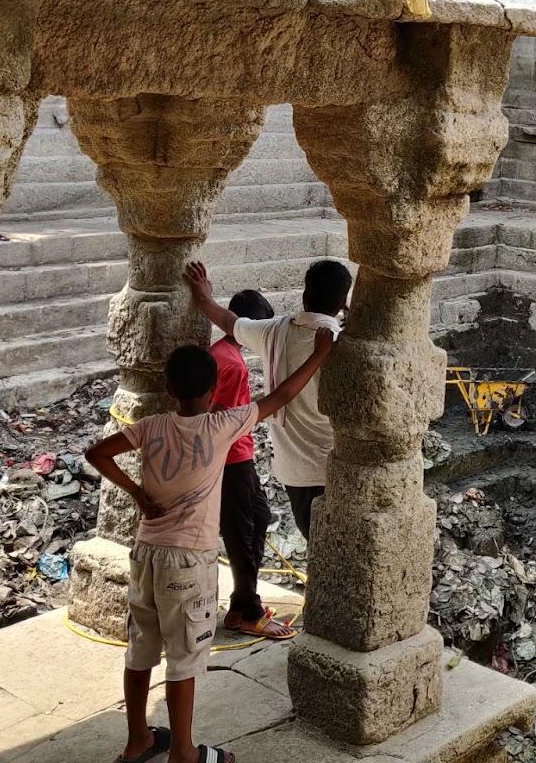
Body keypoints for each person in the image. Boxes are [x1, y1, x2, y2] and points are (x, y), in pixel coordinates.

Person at [86, 331, 332, 763]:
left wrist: (137, 493)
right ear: (214, 390)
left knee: (140, 648)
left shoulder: (150, 427)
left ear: (169, 389)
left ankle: (137, 740)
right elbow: (283, 394)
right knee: (184, 658)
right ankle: (184, 752)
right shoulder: (221, 426)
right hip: (188, 562)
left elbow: (97, 454)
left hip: (146, 553)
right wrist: (320, 353)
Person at [184, 258, 352, 542]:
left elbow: (229, 321)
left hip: (292, 469)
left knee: (316, 542)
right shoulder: (342, 344)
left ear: (304, 294)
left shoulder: (274, 331)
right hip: (334, 468)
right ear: (341, 303)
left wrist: (203, 296)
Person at [210, 288, 294, 641]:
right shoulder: (230, 364)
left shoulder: (223, 354)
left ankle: (240, 604)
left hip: (237, 455)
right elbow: (225, 419)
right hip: (232, 459)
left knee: (257, 519)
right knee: (242, 533)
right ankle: (249, 611)